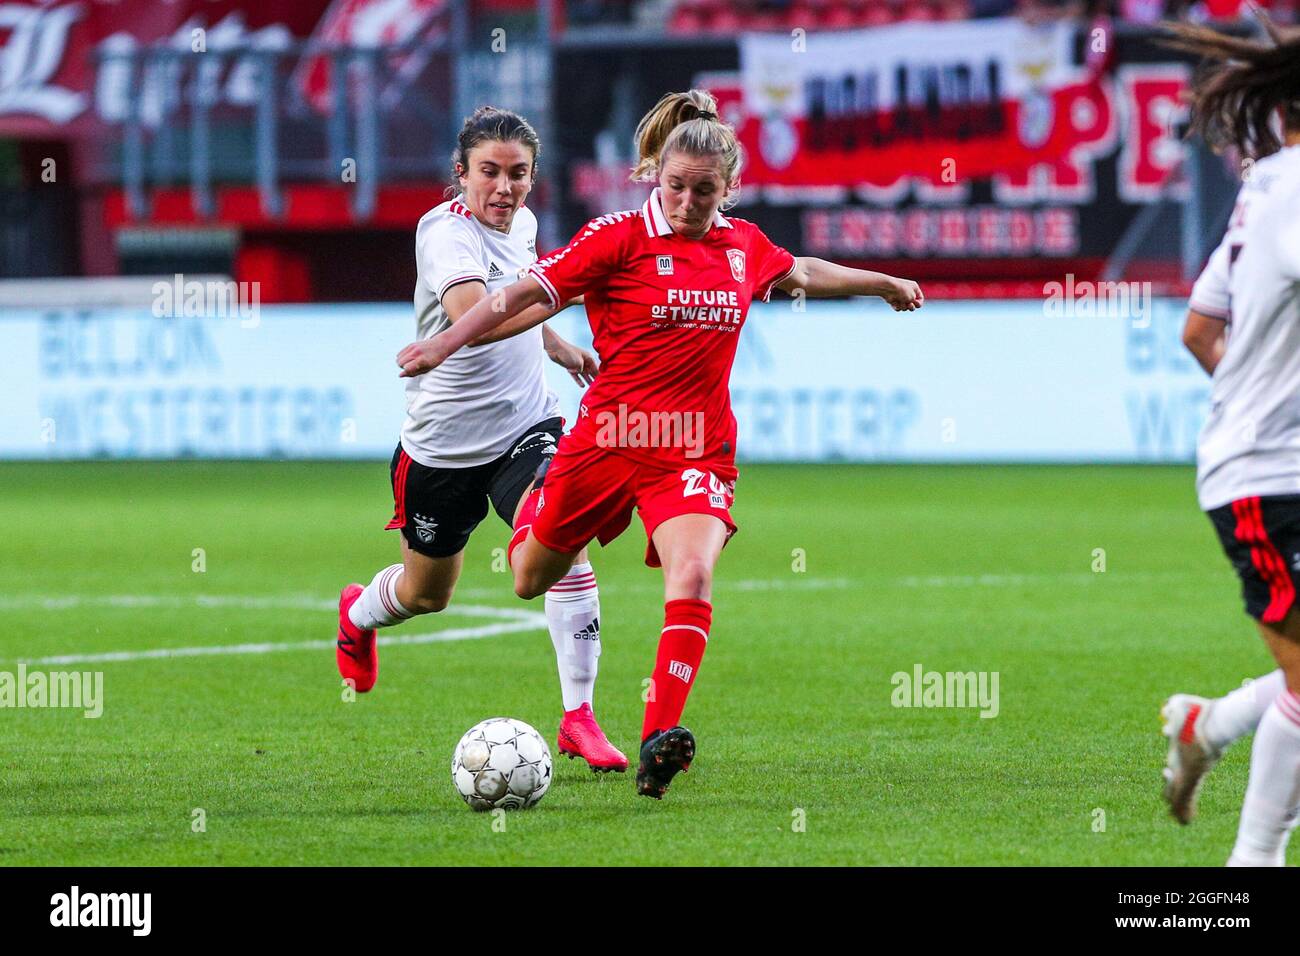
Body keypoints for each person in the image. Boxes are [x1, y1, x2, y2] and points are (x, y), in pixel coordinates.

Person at [396, 90, 924, 799]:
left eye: (704, 192)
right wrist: (444, 343)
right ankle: (535, 513)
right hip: (608, 439)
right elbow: (516, 296)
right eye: (675, 187)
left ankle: (656, 741)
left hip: (695, 449)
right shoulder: (615, 237)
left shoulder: (742, 248)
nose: (686, 202)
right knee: (528, 577)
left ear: (726, 191)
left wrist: (882, 283)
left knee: (694, 578)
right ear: (656, 178)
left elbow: (803, 270)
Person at [337, 106, 628, 773]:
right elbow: (475, 314)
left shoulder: (522, 224)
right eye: (489, 172)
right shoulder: (445, 235)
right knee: (426, 595)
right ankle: (358, 614)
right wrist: (554, 305)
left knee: (561, 534)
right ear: (461, 174)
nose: (504, 188)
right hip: (441, 449)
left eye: (518, 174)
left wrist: (552, 342)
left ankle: (579, 717)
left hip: (527, 425)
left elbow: (516, 295)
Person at [1155, 13, 1300, 864]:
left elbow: (1202, 328)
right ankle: (1251, 869)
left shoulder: (1267, 186)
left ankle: (1208, 725)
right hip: (1269, 478)